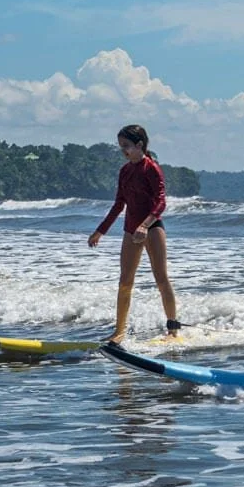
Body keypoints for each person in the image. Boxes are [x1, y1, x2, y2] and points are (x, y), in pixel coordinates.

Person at [88, 125, 180, 343]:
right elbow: (119, 204)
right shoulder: (125, 171)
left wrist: (145, 225)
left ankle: (173, 330)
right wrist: (100, 231)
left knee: (161, 277)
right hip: (131, 230)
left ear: (140, 145)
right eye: (121, 147)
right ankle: (119, 330)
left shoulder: (152, 168)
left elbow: (160, 202)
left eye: (127, 146)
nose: (123, 151)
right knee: (125, 281)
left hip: (153, 227)